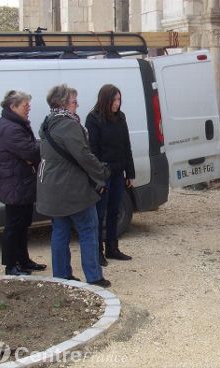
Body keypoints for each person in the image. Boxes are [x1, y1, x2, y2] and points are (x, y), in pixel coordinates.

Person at [36, 84, 111, 287]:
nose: (77, 105)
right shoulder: (68, 125)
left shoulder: (48, 122)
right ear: (62, 103)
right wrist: (101, 174)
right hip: (72, 190)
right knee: (88, 230)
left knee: (60, 232)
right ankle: (94, 276)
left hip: (52, 189)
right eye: (74, 101)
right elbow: (83, 156)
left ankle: (62, 276)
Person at [0, 90, 47, 276]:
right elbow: (30, 152)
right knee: (13, 226)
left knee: (23, 223)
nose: (29, 108)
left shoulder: (17, 124)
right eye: (25, 105)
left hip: (21, 182)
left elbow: (31, 152)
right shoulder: (11, 128)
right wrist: (44, 145)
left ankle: (23, 260)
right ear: (13, 107)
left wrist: (33, 155)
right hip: (14, 183)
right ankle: (10, 266)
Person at [85, 84, 135, 266]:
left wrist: (129, 172)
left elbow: (126, 146)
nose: (117, 103)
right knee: (99, 213)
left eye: (119, 99)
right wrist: (99, 176)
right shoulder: (93, 119)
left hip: (118, 171)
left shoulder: (120, 117)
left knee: (114, 210)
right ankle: (97, 251)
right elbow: (93, 150)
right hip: (103, 173)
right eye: (114, 100)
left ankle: (112, 248)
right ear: (106, 100)